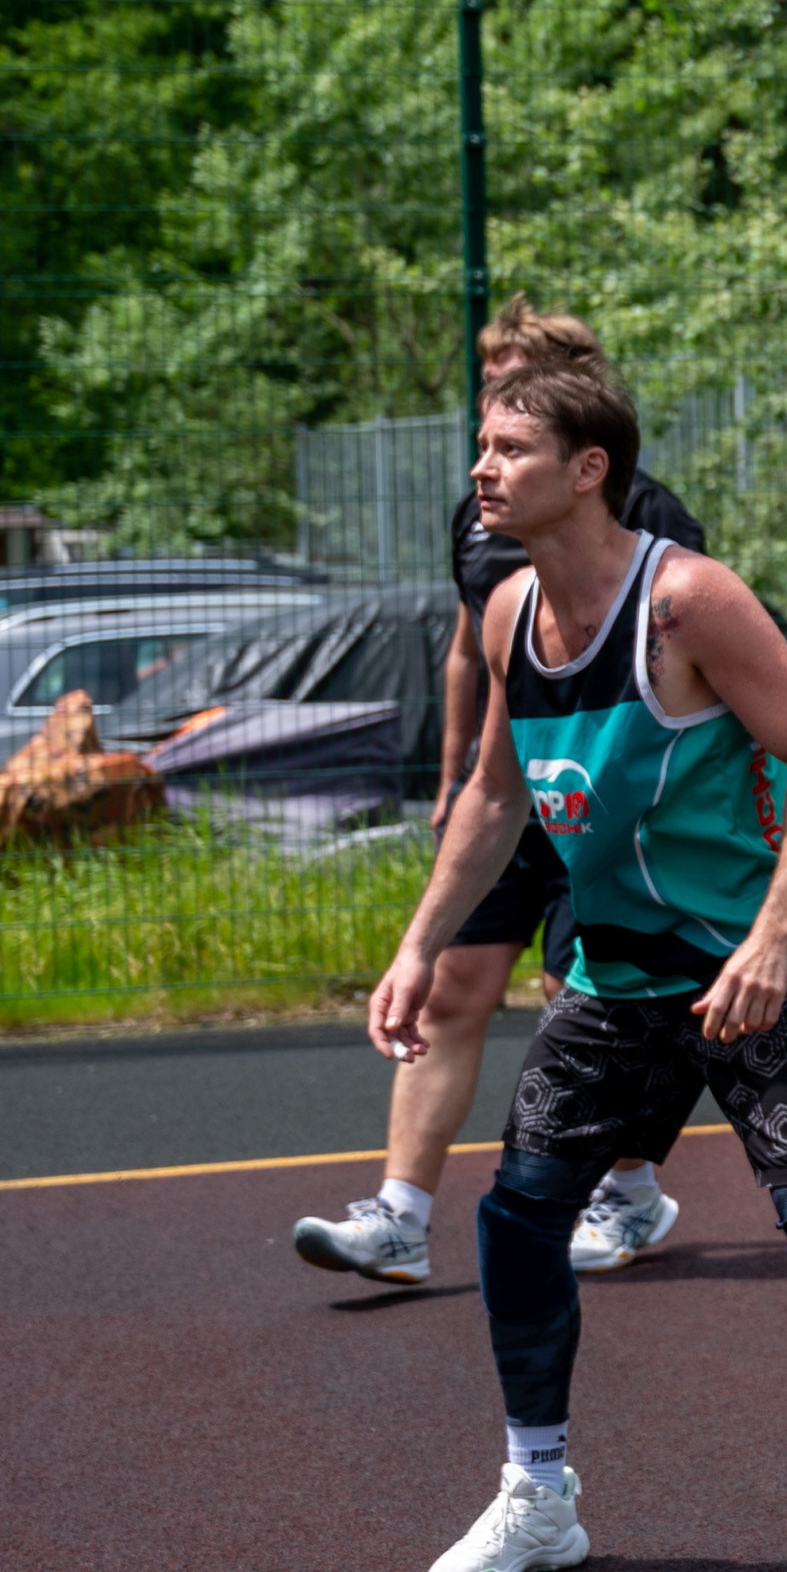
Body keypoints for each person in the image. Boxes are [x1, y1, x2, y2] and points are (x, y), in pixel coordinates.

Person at [367, 363, 787, 1572]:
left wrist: (774, 935)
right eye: (480, 448)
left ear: (588, 467)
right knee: (516, 1215)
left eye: (506, 448)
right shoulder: (506, 613)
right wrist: (418, 943)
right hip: (613, 981)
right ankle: (538, 1493)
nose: (481, 470)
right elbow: (499, 796)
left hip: (747, 975)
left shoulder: (687, 601)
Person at [293, 302, 699, 1288]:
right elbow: (470, 650)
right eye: (487, 391)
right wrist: (453, 780)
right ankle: (399, 1216)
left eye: (516, 386)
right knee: (447, 986)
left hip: (601, 807)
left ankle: (628, 1191)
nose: (492, 415)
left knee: (582, 1003)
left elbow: (684, 669)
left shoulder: (656, 521)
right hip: (510, 794)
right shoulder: (477, 519)